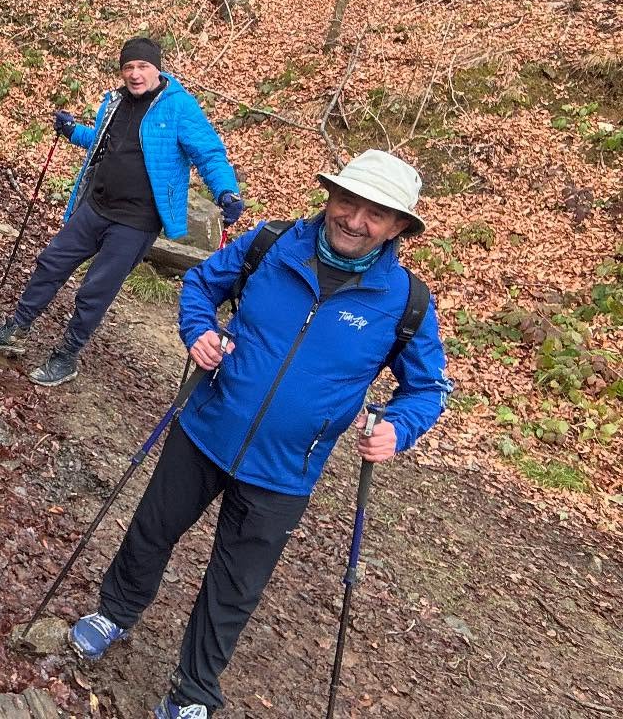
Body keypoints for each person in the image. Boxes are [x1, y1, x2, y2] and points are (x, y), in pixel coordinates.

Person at [66, 150, 452, 719]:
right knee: (151, 530)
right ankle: (115, 613)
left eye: (376, 214)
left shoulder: (407, 304)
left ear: (399, 228)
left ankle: (192, 693)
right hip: (204, 429)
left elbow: (428, 390)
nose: (355, 220)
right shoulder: (271, 245)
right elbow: (199, 283)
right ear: (330, 197)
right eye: (348, 202)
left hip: (286, 470)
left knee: (235, 585)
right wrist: (199, 331)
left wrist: (399, 427)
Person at [0, 37, 244, 386]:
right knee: (51, 262)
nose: (135, 74)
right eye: (128, 67)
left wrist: (226, 191)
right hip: (97, 205)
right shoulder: (116, 101)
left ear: (157, 69)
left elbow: (208, 153)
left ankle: (67, 356)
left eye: (142, 66)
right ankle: (16, 328)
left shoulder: (178, 107)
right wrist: (73, 132)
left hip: (136, 222)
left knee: (95, 290)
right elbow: (104, 141)